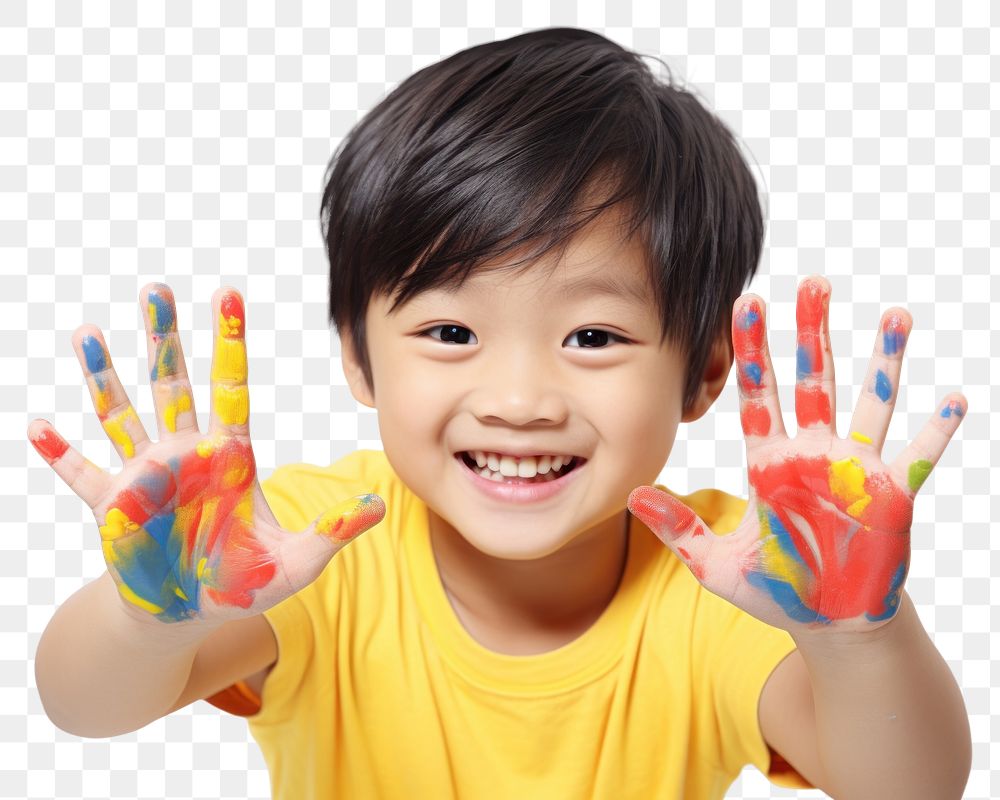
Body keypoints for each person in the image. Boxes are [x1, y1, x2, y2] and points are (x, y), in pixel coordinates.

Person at [29, 28, 971, 799]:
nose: (519, 401)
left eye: (594, 338)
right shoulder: (308, 549)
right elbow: (84, 708)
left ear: (705, 373)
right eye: (449, 330)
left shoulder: (734, 576)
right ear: (359, 358)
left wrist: (856, 637)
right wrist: (151, 621)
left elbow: (911, 787)